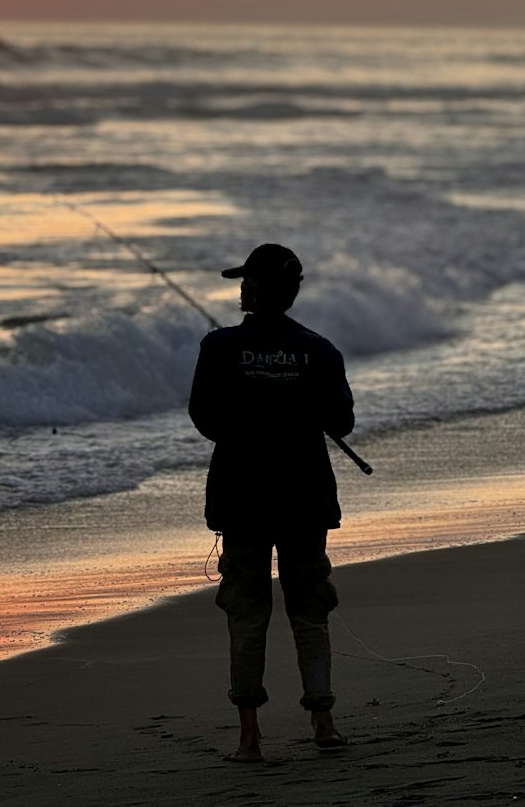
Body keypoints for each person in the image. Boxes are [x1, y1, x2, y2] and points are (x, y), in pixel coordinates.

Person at [188, 243, 355, 763]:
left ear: (256, 291)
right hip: (305, 495)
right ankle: (322, 721)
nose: (240, 289)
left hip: (242, 498)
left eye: (246, 282)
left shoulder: (219, 346)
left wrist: (247, 426)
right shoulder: (320, 350)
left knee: (246, 610)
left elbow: (205, 418)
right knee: (310, 608)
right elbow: (342, 423)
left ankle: (250, 735)